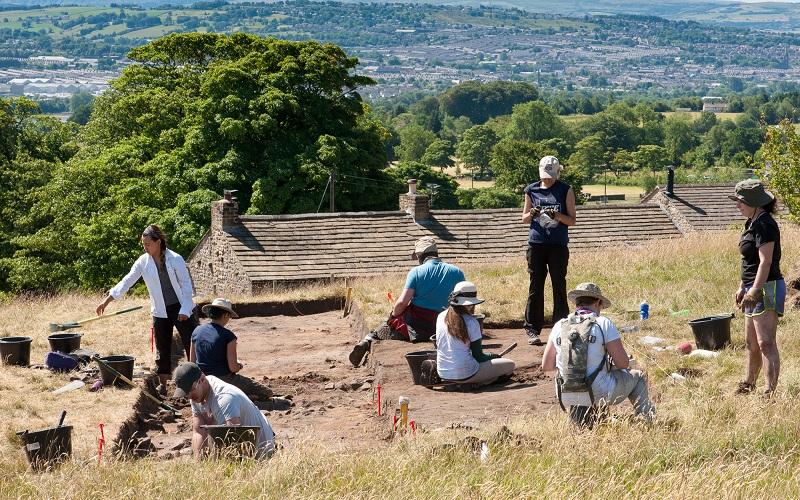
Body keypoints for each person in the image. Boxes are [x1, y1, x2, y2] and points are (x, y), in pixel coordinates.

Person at [97, 224, 197, 394]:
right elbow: (127, 281)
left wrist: (185, 310)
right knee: (162, 347)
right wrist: (107, 300)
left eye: (148, 244)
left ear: (158, 242)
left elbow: (187, 287)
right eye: (143, 244)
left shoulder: (175, 259)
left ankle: (193, 381)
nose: (145, 247)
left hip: (181, 307)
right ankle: (163, 385)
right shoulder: (143, 262)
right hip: (160, 310)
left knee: (190, 344)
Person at [542, 282, 654, 426]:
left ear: (576, 302)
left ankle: (584, 424)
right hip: (598, 392)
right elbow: (623, 363)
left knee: (591, 382)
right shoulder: (603, 323)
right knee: (638, 377)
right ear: (598, 302)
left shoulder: (560, 325)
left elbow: (546, 366)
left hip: (565, 392)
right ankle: (647, 422)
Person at [348, 236, 465, 366]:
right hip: (446, 324)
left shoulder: (416, 272)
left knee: (389, 325)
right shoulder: (457, 272)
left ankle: (368, 340)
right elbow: (462, 301)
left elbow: (403, 302)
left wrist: (392, 316)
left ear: (420, 256)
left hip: (417, 326)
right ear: (436, 253)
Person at [729, 180, 784, 397]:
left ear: (754, 203)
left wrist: (755, 290)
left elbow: (765, 262)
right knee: (751, 343)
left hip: (766, 288)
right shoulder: (752, 222)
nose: (738, 206)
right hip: (753, 286)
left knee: (766, 343)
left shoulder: (764, 225)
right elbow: (750, 261)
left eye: (741, 201)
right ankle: (748, 383)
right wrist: (743, 285)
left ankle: (769, 392)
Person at [521, 156, 577, 346]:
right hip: (536, 244)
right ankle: (532, 328)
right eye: (545, 177)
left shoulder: (565, 190)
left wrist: (557, 215)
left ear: (557, 173)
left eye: (551, 176)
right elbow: (524, 219)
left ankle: (561, 326)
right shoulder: (531, 190)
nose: (548, 180)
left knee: (558, 285)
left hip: (558, 245)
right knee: (535, 286)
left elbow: (572, 220)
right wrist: (533, 213)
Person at [173, 362, 275, 459]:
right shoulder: (197, 394)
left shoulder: (224, 398)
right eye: (186, 393)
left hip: (261, 449)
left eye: (191, 390)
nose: (189, 396)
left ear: (202, 379)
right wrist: (198, 465)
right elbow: (198, 432)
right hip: (238, 442)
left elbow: (233, 439)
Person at [190, 298, 274, 401]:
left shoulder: (196, 331)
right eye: (229, 316)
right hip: (223, 379)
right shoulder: (228, 336)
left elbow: (192, 363)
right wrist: (239, 365)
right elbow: (233, 368)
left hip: (202, 380)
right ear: (225, 315)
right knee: (266, 392)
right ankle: (245, 398)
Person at [435, 281, 515, 386]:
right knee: (510, 365)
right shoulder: (471, 322)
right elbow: (479, 357)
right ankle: (482, 383)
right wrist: (492, 356)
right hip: (467, 374)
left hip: (443, 372)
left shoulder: (440, 316)